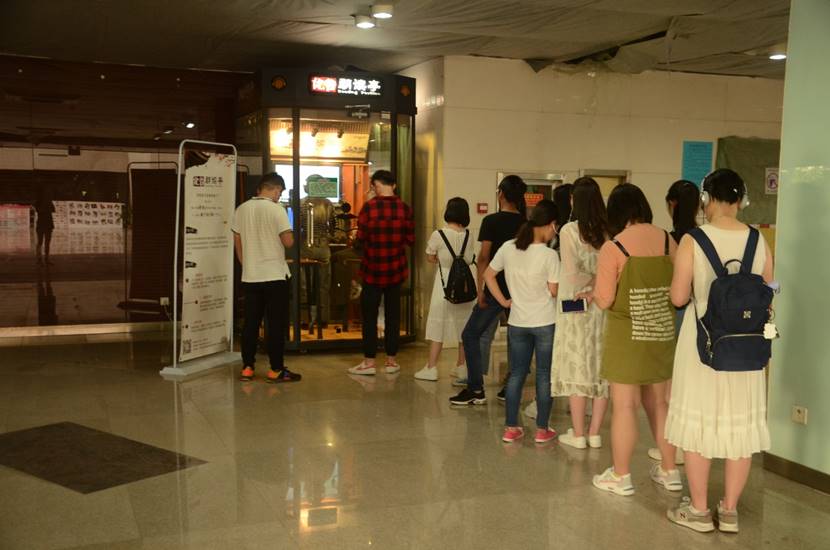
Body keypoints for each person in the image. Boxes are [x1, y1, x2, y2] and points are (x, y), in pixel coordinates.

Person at [665, 169, 773, 534]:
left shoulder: (693, 240)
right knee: (739, 427)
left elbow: (678, 297)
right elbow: (770, 290)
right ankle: (729, 511)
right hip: (747, 348)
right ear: (741, 200)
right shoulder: (758, 239)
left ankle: (698, 510)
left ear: (706, 199)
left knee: (699, 424)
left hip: (703, 347)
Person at [590, 183, 680, 496]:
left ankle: (621, 475)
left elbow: (604, 300)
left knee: (625, 406)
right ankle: (670, 471)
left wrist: (594, 291)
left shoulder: (614, 247)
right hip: (661, 333)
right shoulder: (668, 240)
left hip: (627, 337)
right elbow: (680, 289)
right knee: (660, 403)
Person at [483, 199, 559, 443]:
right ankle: (542, 430)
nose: (555, 233)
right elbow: (554, 291)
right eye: (555, 227)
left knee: (516, 374)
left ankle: (511, 428)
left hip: (517, 321)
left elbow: (488, 274)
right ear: (550, 224)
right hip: (545, 321)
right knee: (544, 375)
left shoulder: (508, 247)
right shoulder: (549, 255)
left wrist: (504, 301)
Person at [449, 175, 527, 405]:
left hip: (495, 288)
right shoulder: (526, 223)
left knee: (470, 334)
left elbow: (484, 257)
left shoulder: (491, 221)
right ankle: (511, 387)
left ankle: (475, 389)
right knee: (517, 338)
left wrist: (481, 288)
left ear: (501, 194)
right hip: (519, 290)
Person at [551, 177, 610, 449]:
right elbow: (613, 270)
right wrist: (598, 283)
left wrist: (587, 284)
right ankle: (595, 433)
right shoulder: (609, 231)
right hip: (602, 307)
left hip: (575, 308)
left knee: (577, 365)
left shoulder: (569, 231)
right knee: (600, 368)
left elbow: (571, 274)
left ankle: (577, 434)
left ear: (575, 200)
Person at [648, 179, 700, 464]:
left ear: (672, 204)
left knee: (669, 387)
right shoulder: (704, 237)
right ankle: (691, 445)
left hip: (674, 315)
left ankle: (673, 448)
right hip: (702, 316)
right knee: (691, 383)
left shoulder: (669, 239)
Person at [232, 173, 301, 383]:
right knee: (276, 324)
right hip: (274, 276)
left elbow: (238, 242)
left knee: (251, 324)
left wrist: (247, 265)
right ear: (276, 189)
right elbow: (288, 242)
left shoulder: (241, 209)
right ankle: (276, 369)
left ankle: (247, 368)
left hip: (251, 276)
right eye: (280, 192)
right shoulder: (277, 209)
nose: (279, 195)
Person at [348, 170, 415, 375]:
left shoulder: (369, 207)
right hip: (396, 270)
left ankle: (369, 363)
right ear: (394, 185)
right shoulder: (405, 208)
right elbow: (411, 240)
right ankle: (391, 361)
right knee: (393, 317)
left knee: (369, 317)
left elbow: (360, 239)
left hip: (372, 270)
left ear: (375, 186)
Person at [415, 198, 476, 382]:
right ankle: (461, 367)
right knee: (463, 326)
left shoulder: (438, 234)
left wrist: (443, 260)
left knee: (438, 324)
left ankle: (431, 368)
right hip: (464, 285)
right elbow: (469, 258)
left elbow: (430, 256)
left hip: (444, 284)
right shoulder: (468, 235)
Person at [299, 174, 335, 326]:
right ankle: (323, 319)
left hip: (306, 247)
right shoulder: (328, 203)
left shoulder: (301, 203)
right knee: (323, 285)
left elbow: (297, 227)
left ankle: (305, 319)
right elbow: (333, 228)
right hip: (323, 248)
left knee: (304, 284)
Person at [33, 189, 55, 265]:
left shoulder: (47, 201)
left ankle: (44, 259)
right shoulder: (39, 202)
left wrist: (47, 206)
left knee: (44, 242)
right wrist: (46, 207)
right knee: (41, 242)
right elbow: (40, 210)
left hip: (46, 224)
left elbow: (53, 209)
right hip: (44, 224)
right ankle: (41, 259)